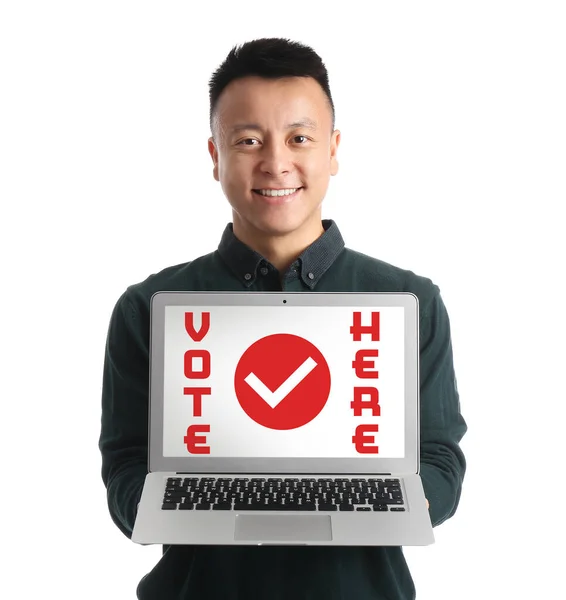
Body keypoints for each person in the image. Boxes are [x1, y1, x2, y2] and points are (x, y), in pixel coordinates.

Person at [99, 37, 467, 600]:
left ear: (333, 149)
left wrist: (377, 499)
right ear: (215, 156)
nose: (276, 162)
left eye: (300, 137)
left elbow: (441, 463)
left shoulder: (409, 301)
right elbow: (125, 470)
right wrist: (179, 503)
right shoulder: (147, 309)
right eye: (248, 140)